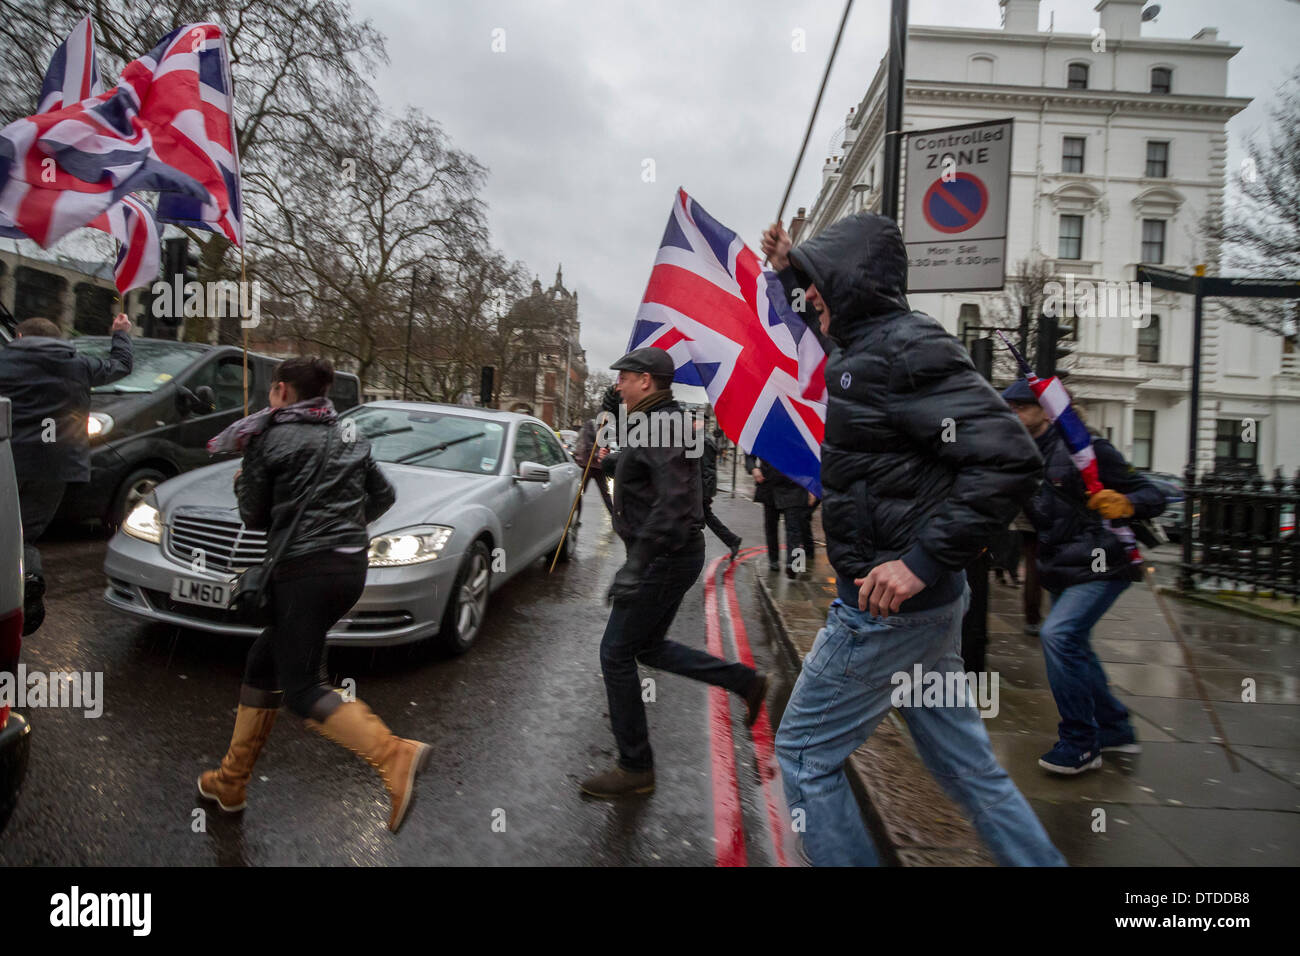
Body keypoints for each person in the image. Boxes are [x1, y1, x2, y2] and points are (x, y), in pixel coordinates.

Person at [762, 213, 1064, 867]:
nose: (809, 297)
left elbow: (1011, 458)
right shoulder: (860, 347)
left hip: (885, 611)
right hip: (921, 616)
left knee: (806, 755)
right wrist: (789, 267)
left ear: (848, 285)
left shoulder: (903, 350)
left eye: (818, 282)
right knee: (969, 771)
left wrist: (920, 562)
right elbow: (800, 334)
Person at [197, 356, 429, 832]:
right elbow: (383, 497)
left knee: (302, 689)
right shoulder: (351, 436)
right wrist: (342, 526)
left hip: (302, 572)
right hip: (348, 569)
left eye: (272, 390)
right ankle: (231, 781)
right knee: (265, 661)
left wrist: (245, 480)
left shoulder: (266, 437)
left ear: (282, 390)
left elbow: (254, 516)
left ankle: (394, 753)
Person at [580, 347, 768, 798]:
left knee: (616, 654)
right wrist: (608, 461)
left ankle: (635, 767)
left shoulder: (664, 424)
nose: (617, 385)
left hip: (664, 557)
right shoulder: (657, 420)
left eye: (623, 377)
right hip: (669, 556)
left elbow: (676, 504)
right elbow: (643, 464)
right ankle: (745, 681)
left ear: (646, 381)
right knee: (648, 647)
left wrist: (638, 564)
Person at [1002, 378, 1165, 775]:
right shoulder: (1018, 453)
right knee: (1075, 645)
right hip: (1061, 566)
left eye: (1021, 407)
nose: (1013, 414)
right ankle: (1114, 729)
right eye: (1009, 408)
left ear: (1046, 409)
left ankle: (1080, 743)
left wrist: (1125, 502)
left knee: (1058, 635)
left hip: (1103, 561)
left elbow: (1153, 494)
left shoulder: (1087, 449)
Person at [0, 314, 133, 634]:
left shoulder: (4, 361)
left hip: (9, 460)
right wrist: (120, 333)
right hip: (56, 466)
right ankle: (28, 580)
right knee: (24, 534)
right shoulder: (80, 365)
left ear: (18, 336)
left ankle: (14, 592)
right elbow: (121, 365)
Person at [746, 454, 814, 576]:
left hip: (795, 484)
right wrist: (753, 468)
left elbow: (809, 458)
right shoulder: (764, 435)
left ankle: (794, 564)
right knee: (771, 526)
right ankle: (773, 559)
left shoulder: (801, 436)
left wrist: (813, 487)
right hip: (769, 484)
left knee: (794, 527)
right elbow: (749, 454)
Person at [697, 419, 742, 559]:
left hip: (702, 490)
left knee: (703, 517)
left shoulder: (703, 443)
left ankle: (732, 540)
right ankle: (732, 540)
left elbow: (708, 471)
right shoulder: (700, 441)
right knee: (704, 517)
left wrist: (705, 493)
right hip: (701, 489)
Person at [573, 410, 614, 521]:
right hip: (586, 465)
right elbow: (587, 445)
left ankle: (616, 519)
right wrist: (598, 454)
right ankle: (576, 518)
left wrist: (606, 453)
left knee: (605, 493)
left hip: (598, 467)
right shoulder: (590, 425)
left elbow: (606, 446)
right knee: (580, 493)